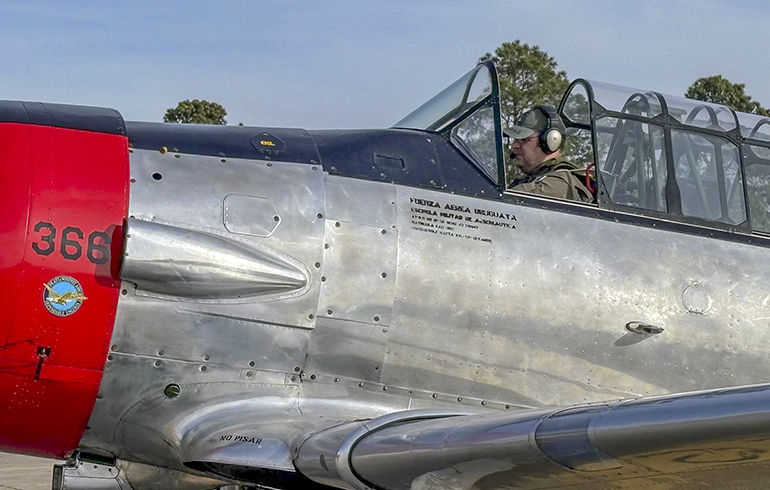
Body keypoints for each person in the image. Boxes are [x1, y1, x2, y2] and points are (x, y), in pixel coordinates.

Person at [505, 105, 593, 203]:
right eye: (515, 140)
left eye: (523, 139)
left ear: (550, 140)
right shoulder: (531, 179)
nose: (514, 145)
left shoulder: (559, 185)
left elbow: (507, 200)